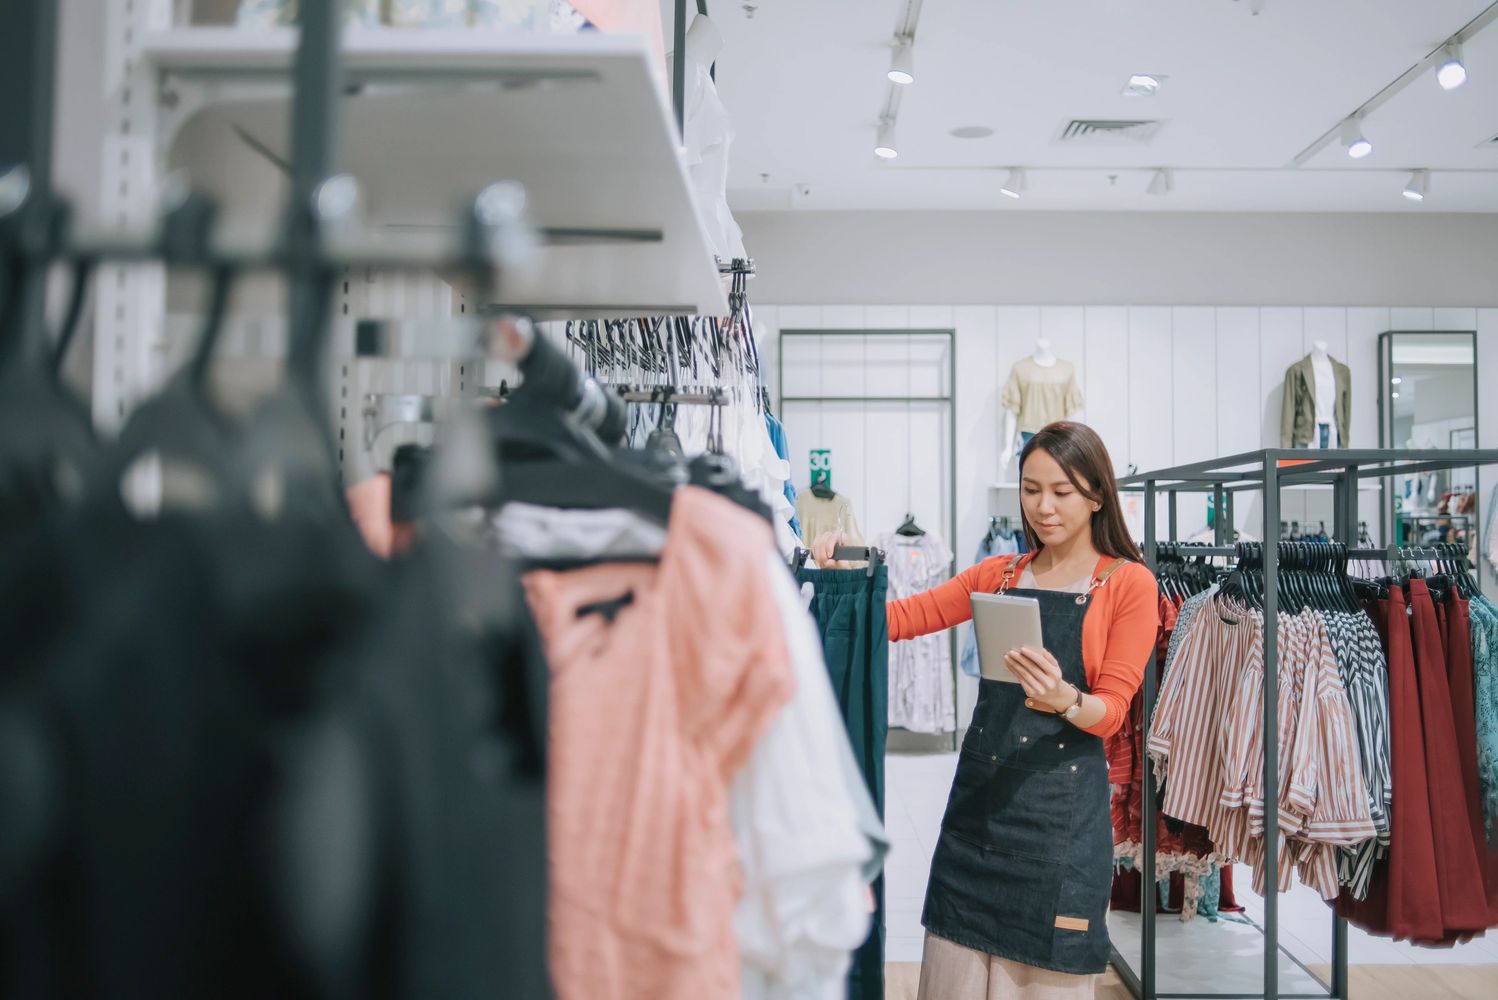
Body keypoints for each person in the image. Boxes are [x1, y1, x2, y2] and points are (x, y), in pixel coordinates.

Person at [812, 421, 1159, 999]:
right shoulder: (998, 574)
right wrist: (843, 575)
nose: (1042, 507)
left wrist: (1066, 700)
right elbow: (899, 620)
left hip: (1061, 833)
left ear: (1098, 495)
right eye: (1030, 489)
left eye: (1061, 491)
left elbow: (1113, 713)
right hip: (976, 818)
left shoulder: (1129, 584)